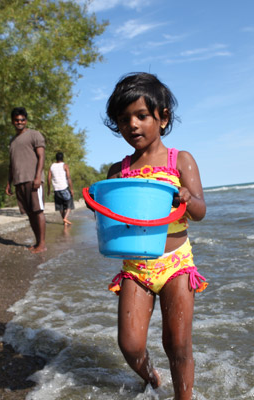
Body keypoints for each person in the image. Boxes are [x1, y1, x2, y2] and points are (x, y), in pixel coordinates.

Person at [102, 72, 208, 399]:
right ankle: (150, 377)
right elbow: (113, 216)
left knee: (177, 343)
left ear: (163, 118)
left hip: (175, 262)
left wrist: (188, 200)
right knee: (130, 344)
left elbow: (201, 211)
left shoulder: (180, 160)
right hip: (135, 265)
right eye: (123, 119)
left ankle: (183, 397)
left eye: (141, 116)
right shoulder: (118, 171)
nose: (132, 125)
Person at [6, 107, 47, 253]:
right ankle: (37, 243)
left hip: (33, 179)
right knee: (29, 213)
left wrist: (37, 177)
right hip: (19, 181)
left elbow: (41, 156)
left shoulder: (34, 135)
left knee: (38, 211)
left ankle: (42, 244)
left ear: (26, 120)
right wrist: (8, 182)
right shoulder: (12, 141)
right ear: (12, 122)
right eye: (16, 120)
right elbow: (12, 163)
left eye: (22, 119)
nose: (19, 122)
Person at [47, 152, 75, 225]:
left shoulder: (52, 166)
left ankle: (64, 221)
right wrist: (71, 189)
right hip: (64, 188)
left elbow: (49, 178)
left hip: (56, 190)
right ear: (62, 158)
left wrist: (49, 189)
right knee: (69, 204)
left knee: (60, 206)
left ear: (56, 158)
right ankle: (65, 218)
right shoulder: (64, 165)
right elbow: (68, 178)